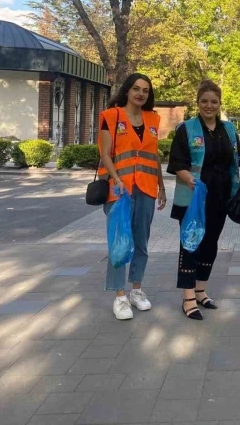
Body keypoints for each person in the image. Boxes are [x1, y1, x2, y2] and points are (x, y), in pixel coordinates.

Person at [168, 80, 240, 320]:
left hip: (220, 196)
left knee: (210, 244)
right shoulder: (186, 129)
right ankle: (188, 297)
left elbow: (236, 161)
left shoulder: (228, 129)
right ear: (198, 102)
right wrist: (191, 181)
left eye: (214, 102)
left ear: (219, 104)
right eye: (204, 101)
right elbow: (177, 163)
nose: (209, 106)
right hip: (194, 198)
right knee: (191, 243)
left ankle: (200, 290)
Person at [98, 73, 166, 320]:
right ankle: (119, 296)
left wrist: (161, 186)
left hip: (146, 188)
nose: (140, 94)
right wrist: (116, 179)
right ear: (127, 90)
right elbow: (105, 154)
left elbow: (154, 155)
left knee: (141, 242)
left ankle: (136, 290)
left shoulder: (153, 119)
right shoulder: (111, 116)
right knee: (119, 242)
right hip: (119, 190)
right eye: (136, 88)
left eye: (145, 90)